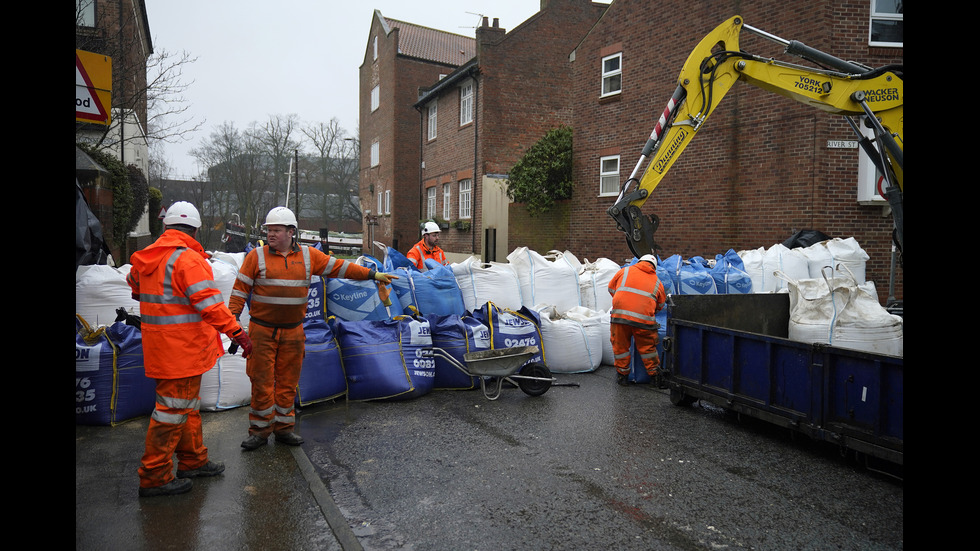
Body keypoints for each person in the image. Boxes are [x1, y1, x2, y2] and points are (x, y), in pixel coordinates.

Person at [230, 206, 397, 451]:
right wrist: (232, 320)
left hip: (292, 332)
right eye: (269, 231)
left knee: (288, 382)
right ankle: (260, 431)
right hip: (262, 331)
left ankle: (284, 428)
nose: (271, 235)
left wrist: (373, 275)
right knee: (261, 382)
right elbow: (239, 291)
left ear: (291, 232)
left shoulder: (309, 257)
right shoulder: (257, 257)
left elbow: (342, 268)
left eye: (276, 230)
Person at [127, 201, 253, 497]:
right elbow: (209, 305)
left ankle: (193, 460)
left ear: (166, 227)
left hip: (162, 347)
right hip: (182, 350)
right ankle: (154, 476)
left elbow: (135, 285)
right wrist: (237, 333)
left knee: (186, 408)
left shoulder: (148, 256)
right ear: (195, 229)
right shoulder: (188, 260)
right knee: (171, 413)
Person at [607, 254, 667, 386]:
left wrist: (623, 300)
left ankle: (623, 376)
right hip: (643, 321)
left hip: (620, 317)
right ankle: (654, 377)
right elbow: (661, 305)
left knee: (620, 346)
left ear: (639, 262)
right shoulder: (657, 281)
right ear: (654, 267)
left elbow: (611, 288)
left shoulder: (625, 271)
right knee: (648, 349)